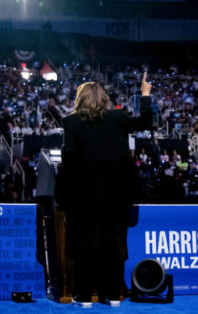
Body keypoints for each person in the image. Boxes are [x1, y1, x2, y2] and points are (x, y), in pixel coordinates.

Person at [60, 74, 152, 308]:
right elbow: (145, 122)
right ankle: (112, 295)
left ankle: (83, 297)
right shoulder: (117, 117)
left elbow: (69, 157)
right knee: (112, 244)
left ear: (80, 100)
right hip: (117, 196)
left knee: (86, 245)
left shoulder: (71, 122)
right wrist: (145, 95)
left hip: (86, 196)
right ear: (103, 99)